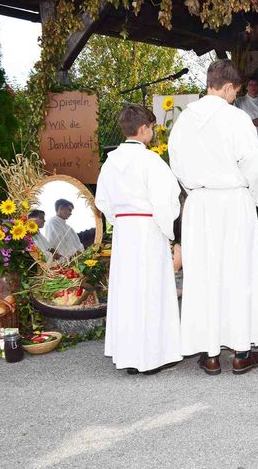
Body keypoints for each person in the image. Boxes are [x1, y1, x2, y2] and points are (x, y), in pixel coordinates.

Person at [169, 59, 258, 376]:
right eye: (235, 92)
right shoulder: (236, 118)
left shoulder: (184, 120)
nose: (234, 98)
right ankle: (242, 352)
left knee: (204, 275)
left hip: (200, 204)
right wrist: (255, 199)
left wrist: (196, 188)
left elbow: (176, 162)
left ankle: (211, 353)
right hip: (232, 202)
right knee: (237, 272)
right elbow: (254, 165)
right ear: (228, 87)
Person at [95, 104, 182, 375]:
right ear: (143, 128)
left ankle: (130, 356)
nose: (153, 133)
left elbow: (103, 201)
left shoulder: (110, 162)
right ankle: (152, 356)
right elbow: (167, 200)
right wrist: (171, 233)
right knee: (151, 289)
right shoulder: (150, 161)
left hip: (124, 230)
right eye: (152, 128)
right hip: (148, 227)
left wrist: (120, 220)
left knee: (129, 291)